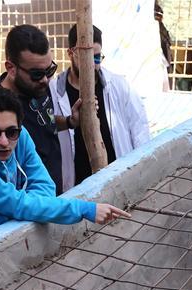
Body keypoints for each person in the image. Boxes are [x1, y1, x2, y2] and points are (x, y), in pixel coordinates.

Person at [0, 86, 129, 232]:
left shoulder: (21, 135)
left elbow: (46, 187)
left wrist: (1, 217)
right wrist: (85, 209)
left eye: (12, 132)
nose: (4, 142)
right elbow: (20, 204)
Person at [50, 24, 151, 189]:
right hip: (76, 188)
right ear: (71, 53)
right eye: (86, 57)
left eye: (97, 58)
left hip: (119, 184)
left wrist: (141, 175)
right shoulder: (54, 92)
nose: (93, 64)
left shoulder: (120, 86)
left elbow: (141, 132)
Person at [0, 24, 73, 195]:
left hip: (57, 194)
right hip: (32, 204)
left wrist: (69, 121)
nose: (45, 80)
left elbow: (46, 121)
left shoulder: (37, 87)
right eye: (37, 74)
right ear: (11, 68)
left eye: (50, 70)